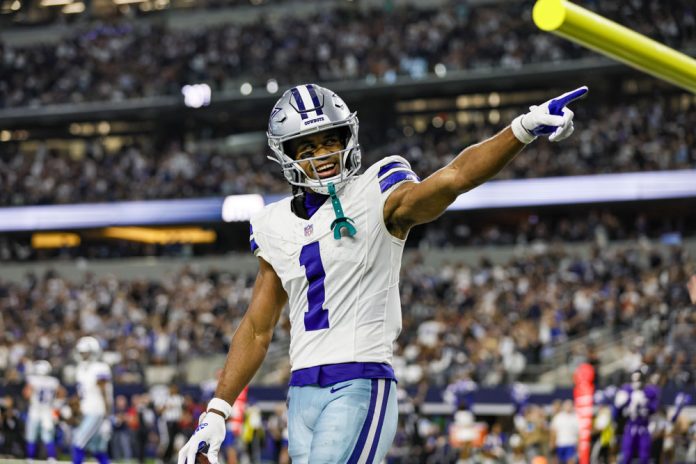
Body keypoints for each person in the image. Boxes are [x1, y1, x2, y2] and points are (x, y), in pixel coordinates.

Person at [178, 83, 587, 464]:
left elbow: (454, 178)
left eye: (329, 141)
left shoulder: (377, 191)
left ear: (348, 139)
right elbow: (256, 328)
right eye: (307, 147)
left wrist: (522, 128)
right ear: (286, 155)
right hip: (301, 392)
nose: (321, 155)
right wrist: (217, 410)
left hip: (358, 380)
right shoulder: (273, 223)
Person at [72, 336, 113, 464]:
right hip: (87, 410)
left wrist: (107, 413)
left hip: (97, 410)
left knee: (78, 441)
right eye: (81, 352)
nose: (83, 355)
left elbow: (103, 391)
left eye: (86, 352)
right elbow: (81, 393)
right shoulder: (80, 368)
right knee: (98, 448)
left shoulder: (100, 367)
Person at [24, 360, 65, 462]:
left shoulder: (32, 379)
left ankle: (30, 457)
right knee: (48, 435)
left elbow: (26, 394)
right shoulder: (53, 381)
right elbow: (62, 393)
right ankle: (51, 457)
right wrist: (56, 405)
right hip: (48, 410)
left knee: (31, 434)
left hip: (35, 409)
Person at [550, 399, 579, 464]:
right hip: (560, 443)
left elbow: (579, 432)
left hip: (571, 443)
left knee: (570, 460)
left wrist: (578, 443)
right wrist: (552, 443)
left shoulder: (575, 417)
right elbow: (554, 431)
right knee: (560, 461)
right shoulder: (558, 417)